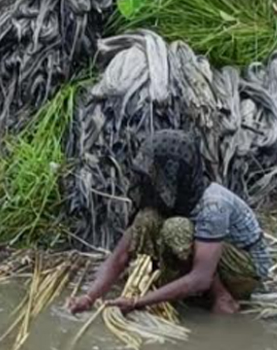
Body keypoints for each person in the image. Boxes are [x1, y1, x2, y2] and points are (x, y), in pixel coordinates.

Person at [67, 130, 270, 316]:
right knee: (147, 218)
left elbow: (201, 278)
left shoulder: (214, 205)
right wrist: (88, 297)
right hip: (210, 259)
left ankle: (222, 296)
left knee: (177, 229)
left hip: (245, 268)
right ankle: (181, 290)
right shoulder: (169, 196)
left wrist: (137, 302)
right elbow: (119, 256)